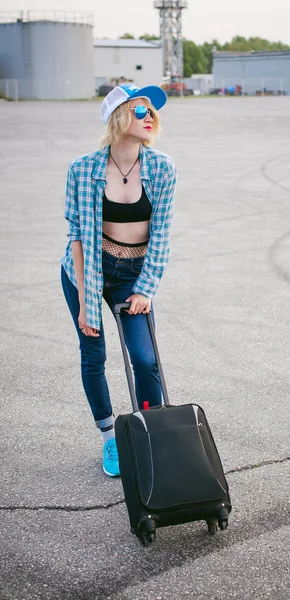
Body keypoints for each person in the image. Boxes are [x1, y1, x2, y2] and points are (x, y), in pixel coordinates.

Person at [60, 84, 177, 477]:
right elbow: (77, 236)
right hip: (87, 271)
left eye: (152, 112)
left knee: (145, 360)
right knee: (95, 356)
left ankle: (149, 432)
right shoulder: (83, 169)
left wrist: (145, 288)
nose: (149, 117)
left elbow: (160, 234)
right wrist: (84, 304)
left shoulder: (162, 168)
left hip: (133, 275)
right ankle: (111, 438)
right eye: (140, 109)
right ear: (117, 117)